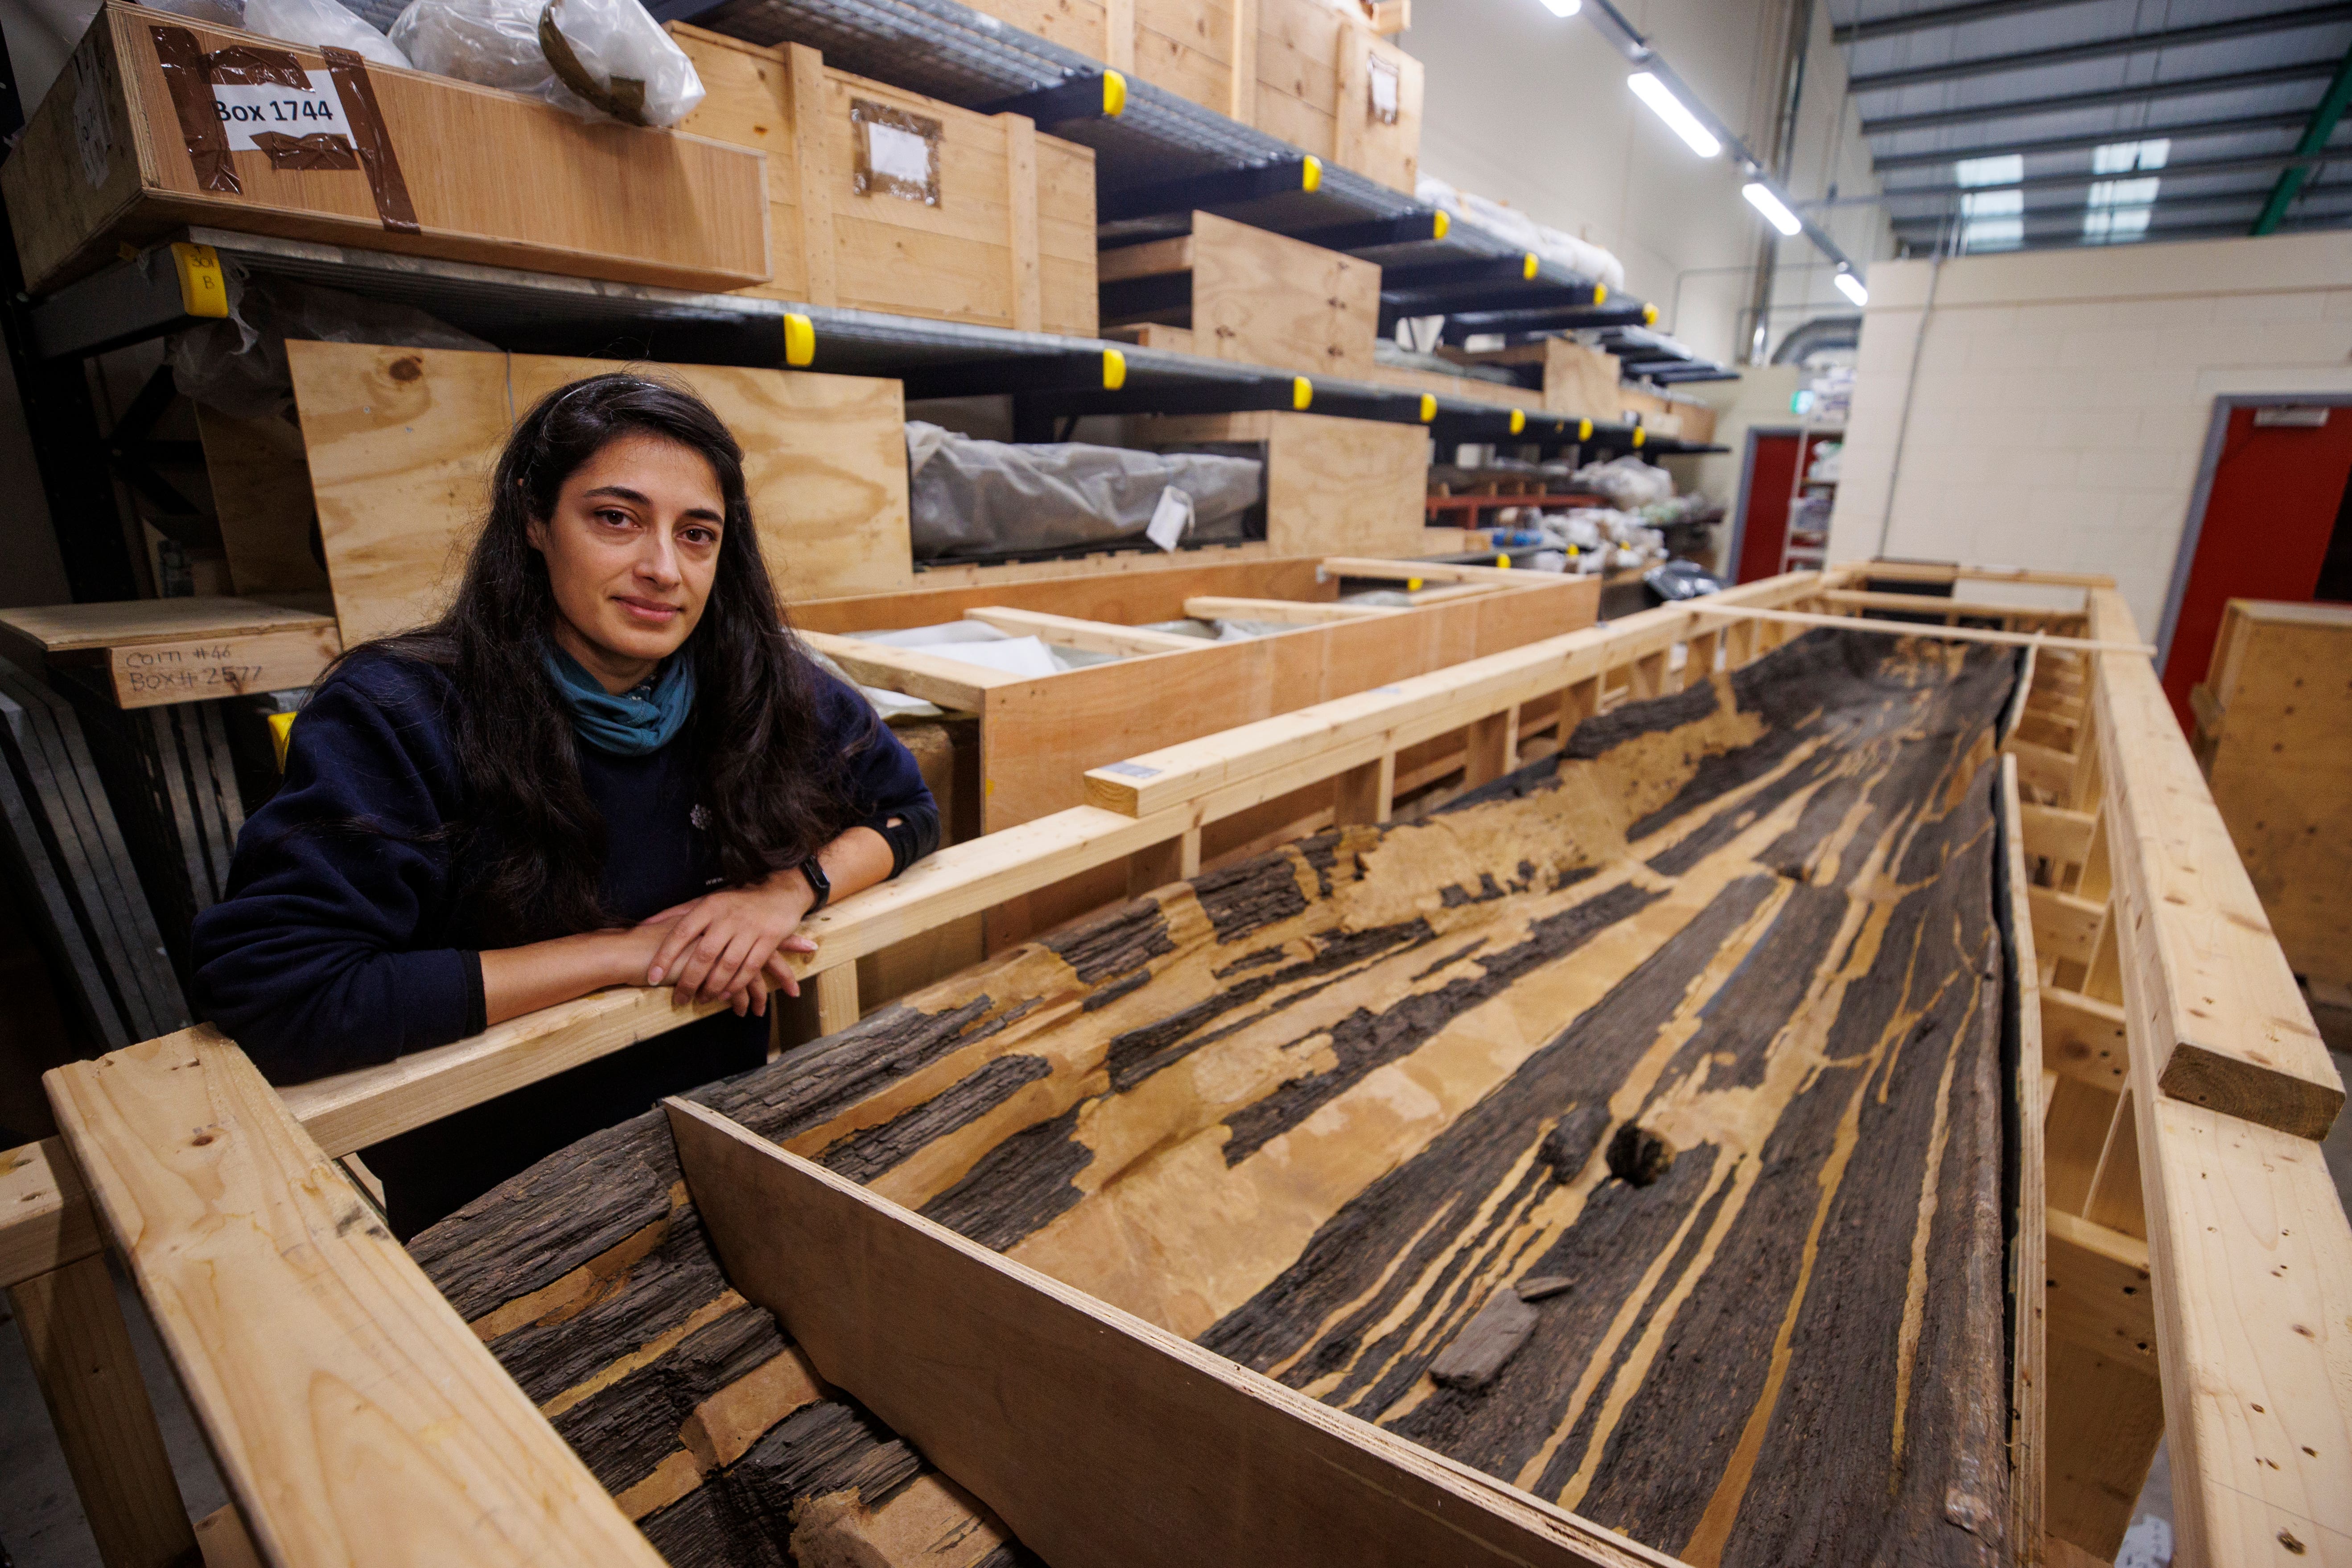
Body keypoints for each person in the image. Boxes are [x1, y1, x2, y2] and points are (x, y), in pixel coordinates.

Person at [191, 374, 938, 1237]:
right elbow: (280, 993)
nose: (662, 568)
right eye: (616, 518)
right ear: (534, 520)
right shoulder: (399, 715)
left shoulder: (761, 684)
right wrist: (621, 954)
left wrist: (787, 889)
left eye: (697, 534)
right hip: (493, 1210)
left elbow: (905, 809)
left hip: (713, 1148)